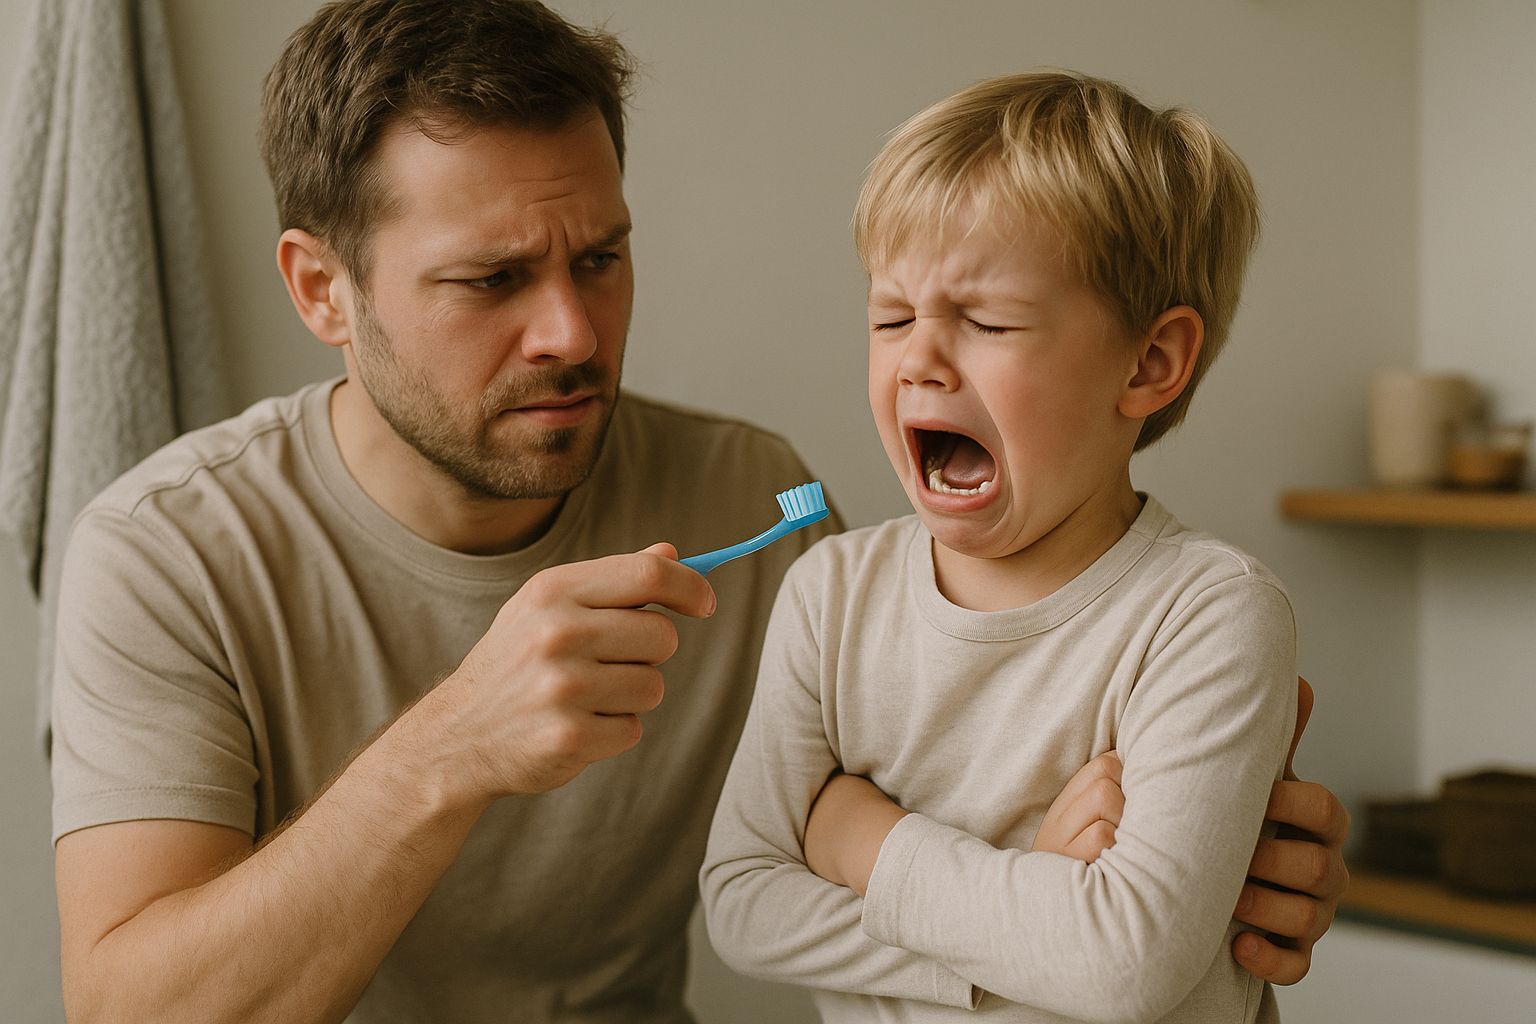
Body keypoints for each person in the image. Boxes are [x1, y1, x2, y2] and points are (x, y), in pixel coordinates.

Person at [46, 5, 1345, 1022]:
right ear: (322, 290)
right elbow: (129, 1014)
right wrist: (449, 749)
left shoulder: (757, 506)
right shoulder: (165, 555)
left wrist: (1223, 880)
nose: (571, 331)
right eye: (491, 278)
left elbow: (1010, 815)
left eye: (600, 258)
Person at [702, 71, 1335, 1024]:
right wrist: (1035, 905)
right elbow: (744, 907)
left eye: (987, 321)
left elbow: (1123, 966)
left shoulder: (1209, 614)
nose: (917, 359)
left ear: (1149, 362)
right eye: (891, 318)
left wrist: (863, 842)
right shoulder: (828, 596)